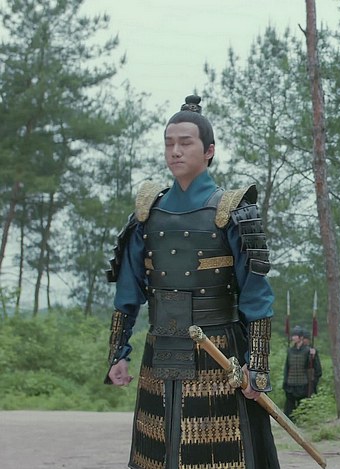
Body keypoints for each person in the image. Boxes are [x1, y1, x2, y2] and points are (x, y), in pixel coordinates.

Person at [104, 95, 279, 468]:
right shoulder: (146, 214)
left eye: (185, 143)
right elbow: (127, 291)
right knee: (157, 455)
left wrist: (258, 365)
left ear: (209, 150)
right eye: (169, 143)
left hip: (221, 354)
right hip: (160, 350)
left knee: (223, 457)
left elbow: (257, 297)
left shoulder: (233, 212)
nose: (175, 151)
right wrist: (118, 353)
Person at [283, 325, 319, 421]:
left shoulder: (308, 351)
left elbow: (311, 367)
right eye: (293, 335)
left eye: (295, 335)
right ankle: (289, 422)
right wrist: (285, 381)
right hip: (291, 382)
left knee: (302, 405)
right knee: (289, 407)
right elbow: (287, 367)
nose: (293, 337)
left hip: (303, 383)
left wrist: (313, 357)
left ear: (301, 337)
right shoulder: (290, 350)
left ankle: (302, 421)